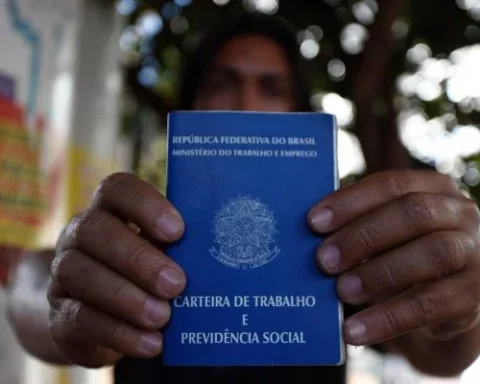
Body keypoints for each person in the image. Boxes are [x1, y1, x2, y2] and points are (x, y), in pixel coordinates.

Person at [7, 13, 480, 384]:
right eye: (222, 82)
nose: (245, 102)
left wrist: (463, 304)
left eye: (271, 87)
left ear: (300, 115)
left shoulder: (336, 246)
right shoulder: (142, 229)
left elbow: (438, 356)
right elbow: (35, 285)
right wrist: (54, 300)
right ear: (188, 107)